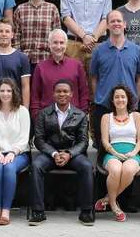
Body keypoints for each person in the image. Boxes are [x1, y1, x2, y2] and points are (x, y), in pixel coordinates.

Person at [29, 79, 95, 226]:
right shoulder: (43, 114)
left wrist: (68, 154)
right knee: (36, 166)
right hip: (49, 154)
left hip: (73, 155)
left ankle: (86, 211)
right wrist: (54, 153)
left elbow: (83, 141)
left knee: (87, 167)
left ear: (71, 94)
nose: (62, 94)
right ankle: (38, 211)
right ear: (53, 94)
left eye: (65, 91)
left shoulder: (80, 115)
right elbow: (39, 140)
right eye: (58, 91)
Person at [90, 10, 140, 146]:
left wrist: (135, 99)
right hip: (104, 106)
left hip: (129, 107)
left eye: (119, 21)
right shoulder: (98, 50)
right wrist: (98, 97)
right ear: (107, 26)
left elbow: (139, 77)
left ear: (125, 24)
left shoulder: (136, 50)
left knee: (129, 146)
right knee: (102, 148)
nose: (116, 24)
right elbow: (93, 77)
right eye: (112, 21)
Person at [0, 79, 31, 226]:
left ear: (14, 92)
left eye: (9, 91)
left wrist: (12, 153)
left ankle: (6, 212)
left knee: (9, 167)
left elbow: (24, 138)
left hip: (19, 153)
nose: (5, 94)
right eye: (2, 90)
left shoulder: (22, 111)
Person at [95, 85, 140, 222]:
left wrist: (133, 152)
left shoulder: (136, 116)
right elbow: (105, 141)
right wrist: (115, 153)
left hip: (132, 153)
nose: (120, 99)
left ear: (128, 99)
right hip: (112, 153)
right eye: (117, 97)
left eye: (123, 96)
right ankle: (114, 205)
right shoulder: (106, 117)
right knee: (116, 170)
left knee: (128, 170)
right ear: (112, 100)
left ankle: (107, 199)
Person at [61, 0, 112, 79]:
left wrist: (92, 39)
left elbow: (106, 19)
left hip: (97, 45)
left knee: (97, 82)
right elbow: (66, 18)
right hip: (74, 45)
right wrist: (83, 36)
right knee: (71, 81)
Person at [31, 29, 90, 119]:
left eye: (61, 43)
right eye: (55, 42)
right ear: (49, 45)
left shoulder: (77, 65)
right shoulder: (40, 67)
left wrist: (82, 115)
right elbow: (35, 96)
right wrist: (37, 118)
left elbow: (84, 93)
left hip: (73, 119)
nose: (58, 46)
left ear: (66, 45)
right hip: (47, 119)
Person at [13, 0, 61, 69]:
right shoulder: (20, 9)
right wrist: (17, 56)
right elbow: (16, 35)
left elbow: (57, 34)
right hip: (25, 59)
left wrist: (55, 56)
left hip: (46, 58)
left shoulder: (52, 9)